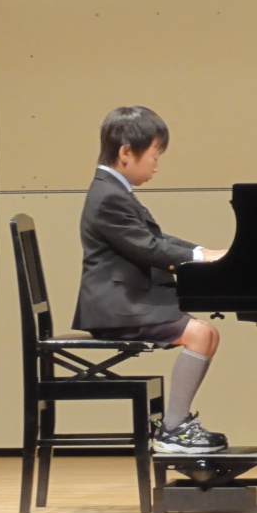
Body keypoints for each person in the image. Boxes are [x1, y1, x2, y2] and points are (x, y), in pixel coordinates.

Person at [71, 105, 229, 453]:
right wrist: (201, 259)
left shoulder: (112, 190)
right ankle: (173, 430)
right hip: (116, 308)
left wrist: (203, 251)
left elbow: (157, 240)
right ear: (126, 153)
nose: (156, 166)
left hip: (125, 302)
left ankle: (176, 425)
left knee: (208, 334)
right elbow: (148, 249)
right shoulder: (107, 196)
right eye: (154, 156)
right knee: (201, 334)